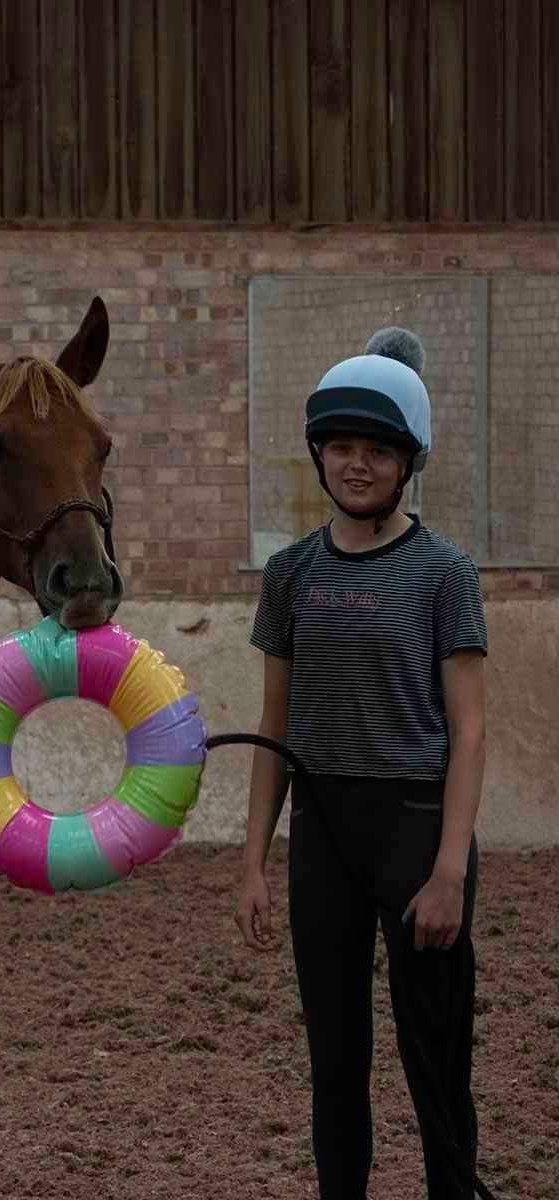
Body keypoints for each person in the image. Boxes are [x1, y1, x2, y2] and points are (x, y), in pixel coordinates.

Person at [236, 328, 489, 1200]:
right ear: (318, 455)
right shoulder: (289, 573)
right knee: (335, 1062)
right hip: (324, 838)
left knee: (435, 1059)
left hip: (418, 835)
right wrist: (253, 860)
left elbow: (471, 730)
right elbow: (276, 722)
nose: (356, 463)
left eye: (376, 449)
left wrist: (452, 867)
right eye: (341, 447)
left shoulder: (445, 573)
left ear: (407, 461)